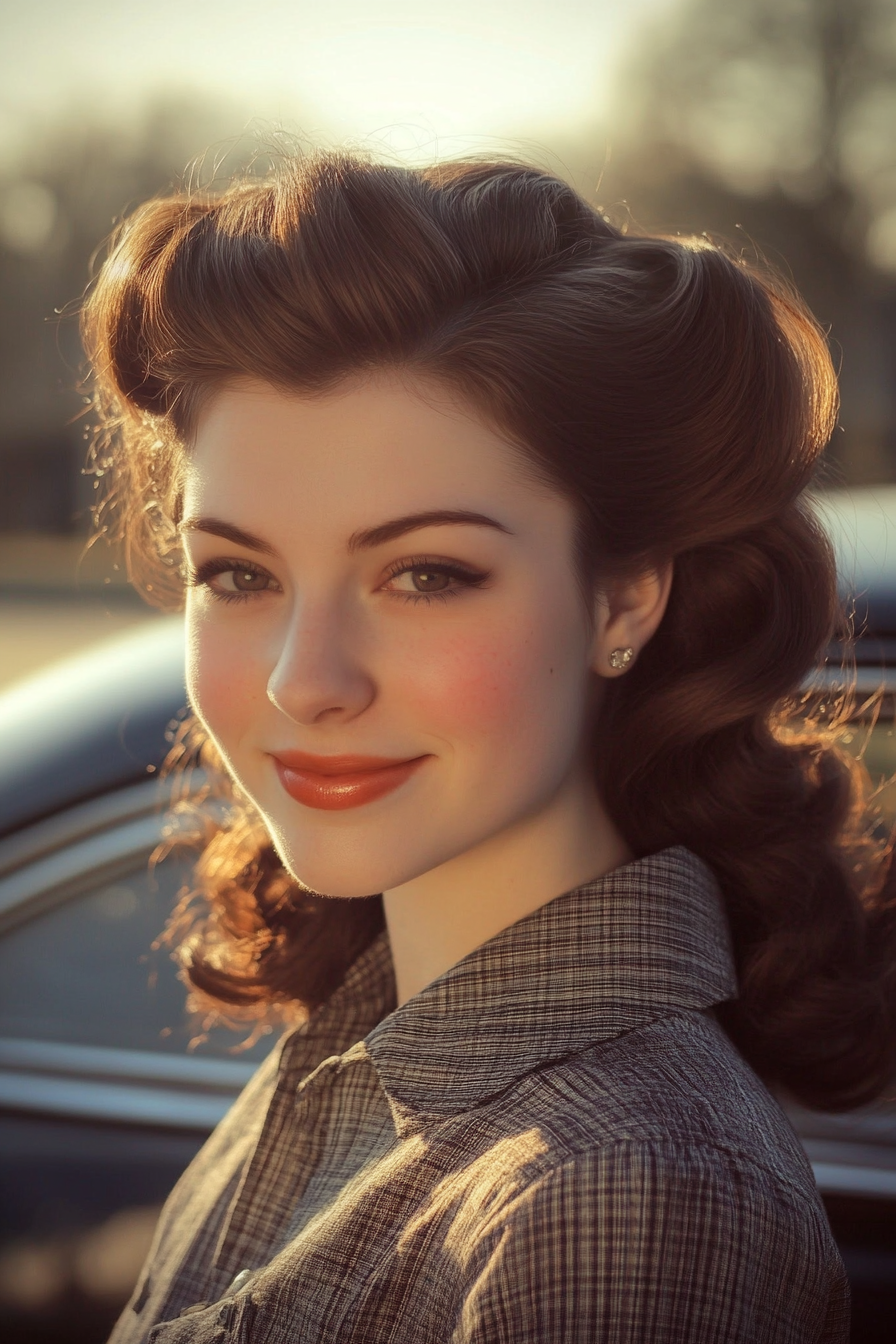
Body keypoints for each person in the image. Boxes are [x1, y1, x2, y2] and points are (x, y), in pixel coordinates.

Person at [81, 150, 895, 1343]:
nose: (306, 681)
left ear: (622, 599)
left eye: (425, 574)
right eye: (238, 574)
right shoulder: (374, 1024)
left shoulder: (615, 1191)